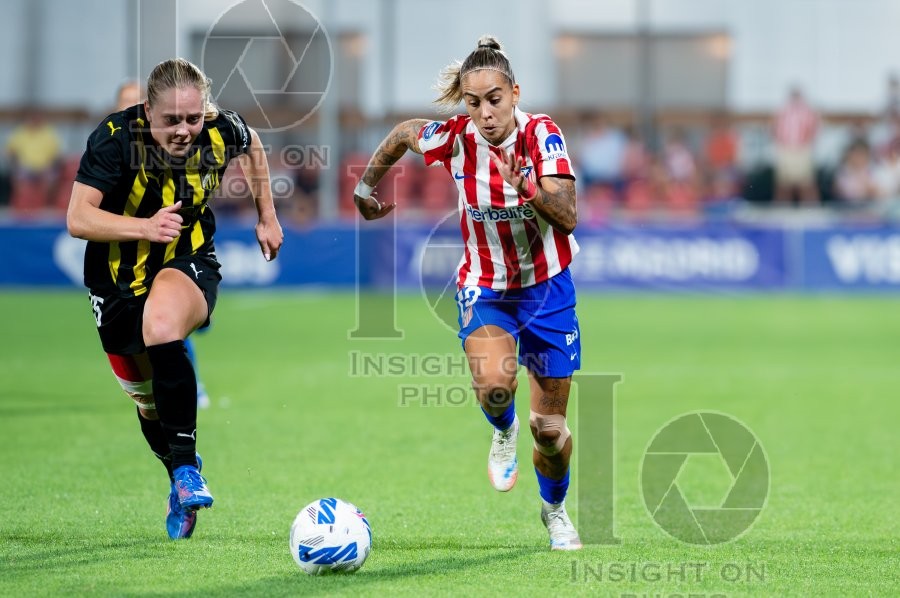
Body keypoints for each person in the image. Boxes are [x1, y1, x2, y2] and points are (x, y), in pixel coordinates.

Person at [353, 36, 582, 551]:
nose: (484, 113)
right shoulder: (454, 138)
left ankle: (555, 510)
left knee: (549, 429)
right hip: (485, 285)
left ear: (515, 93)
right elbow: (402, 135)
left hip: (548, 289)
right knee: (496, 386)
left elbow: (568, 215)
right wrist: (366, 189)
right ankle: (502, 429)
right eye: (473, 102)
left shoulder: (543, 135)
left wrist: (525, 188)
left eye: (494, 100)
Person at [67, 59, 283, 540]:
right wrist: (144, 227)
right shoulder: (115, 138)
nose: (184, 130)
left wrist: (267, 215)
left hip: (188, 257)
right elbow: (78, 218)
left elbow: (253, 147)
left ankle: (187, 469)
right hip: (115, 279)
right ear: (148, 111)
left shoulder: (221, 128)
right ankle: (178, 472)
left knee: (162, 324)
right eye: (172, 121)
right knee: (147, 405)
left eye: (193, 117)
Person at [115, 80, 212, 409]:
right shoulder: (110, 149)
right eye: (125, 103)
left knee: (167, 326)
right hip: (128, 258)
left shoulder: (173, 145)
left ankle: (188, 388)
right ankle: (153, 392)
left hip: (171, 250)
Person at [772, 86, 820, 206]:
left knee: (806, 183)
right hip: (786, 149)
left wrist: (804, 146)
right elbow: (775, 129)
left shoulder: (808, 112)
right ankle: (781, 207)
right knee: (784, 184)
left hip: (802, 150)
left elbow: (813, 130)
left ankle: (811, 207)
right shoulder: (783, 112)